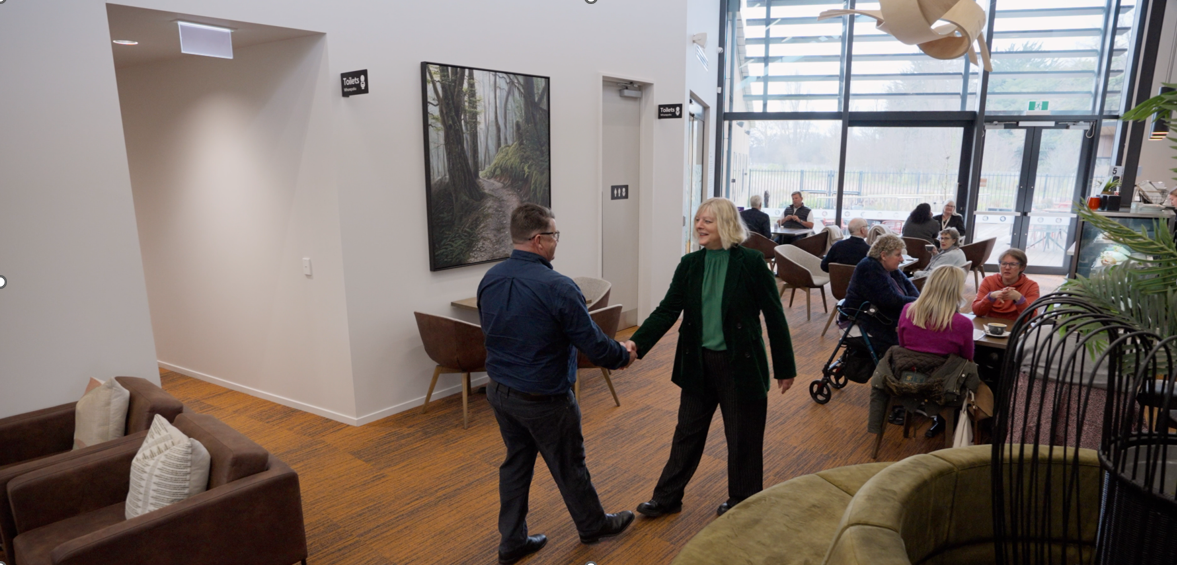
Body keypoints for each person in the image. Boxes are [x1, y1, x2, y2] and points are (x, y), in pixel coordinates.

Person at [478, 203, 636, 564]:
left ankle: (512, 541)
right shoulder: (558, 287)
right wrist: (623, 354)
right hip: (544, 398)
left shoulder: (491, 279)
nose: (556, 243)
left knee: (516, 465)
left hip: (500, 391)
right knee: (569, 464)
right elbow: (594, 344)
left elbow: (493, 332)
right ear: (538, 240)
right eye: (554, 235)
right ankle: (593, 525)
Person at [625, 197, 796, 519]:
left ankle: (744, 501)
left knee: (743, 439)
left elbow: (775, 316)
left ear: (727, 225)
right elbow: (667, 310)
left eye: (708, 221)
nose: (700, 226)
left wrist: (785, 367)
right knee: (686, 434)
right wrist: (636, 343)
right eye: (698, 220)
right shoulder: (690, 264)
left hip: (740, 365)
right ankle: (667, 498)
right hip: (698, 364)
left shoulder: (751, 262)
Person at [896, 266, 974, 437]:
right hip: (944, 385)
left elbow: (902, 345)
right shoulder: (962, 323)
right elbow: (967, 358)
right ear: (956, 289)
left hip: (909, 377)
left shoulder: (908, 310)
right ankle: (971, 424)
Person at [841, 234, 920, 353]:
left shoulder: (889, 268)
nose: (902, 259)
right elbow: (891, 300)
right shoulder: (870, 267)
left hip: (879, 315)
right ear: (883, 255)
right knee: (912, 339)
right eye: (898, 255)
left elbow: (908, 286)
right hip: (861, 319)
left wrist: (918, 300)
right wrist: (919, 302)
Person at [971, 248, 1040, 321]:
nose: (1007, 268)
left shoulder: (1031, 286)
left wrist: (1019, 298)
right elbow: (977, 311)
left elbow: (1030, 317)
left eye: (1012, 264)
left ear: (1022, 267)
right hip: (989, 325)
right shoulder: (988, 281)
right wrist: (990, 296)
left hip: (1015, 327)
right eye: (1004, 264)